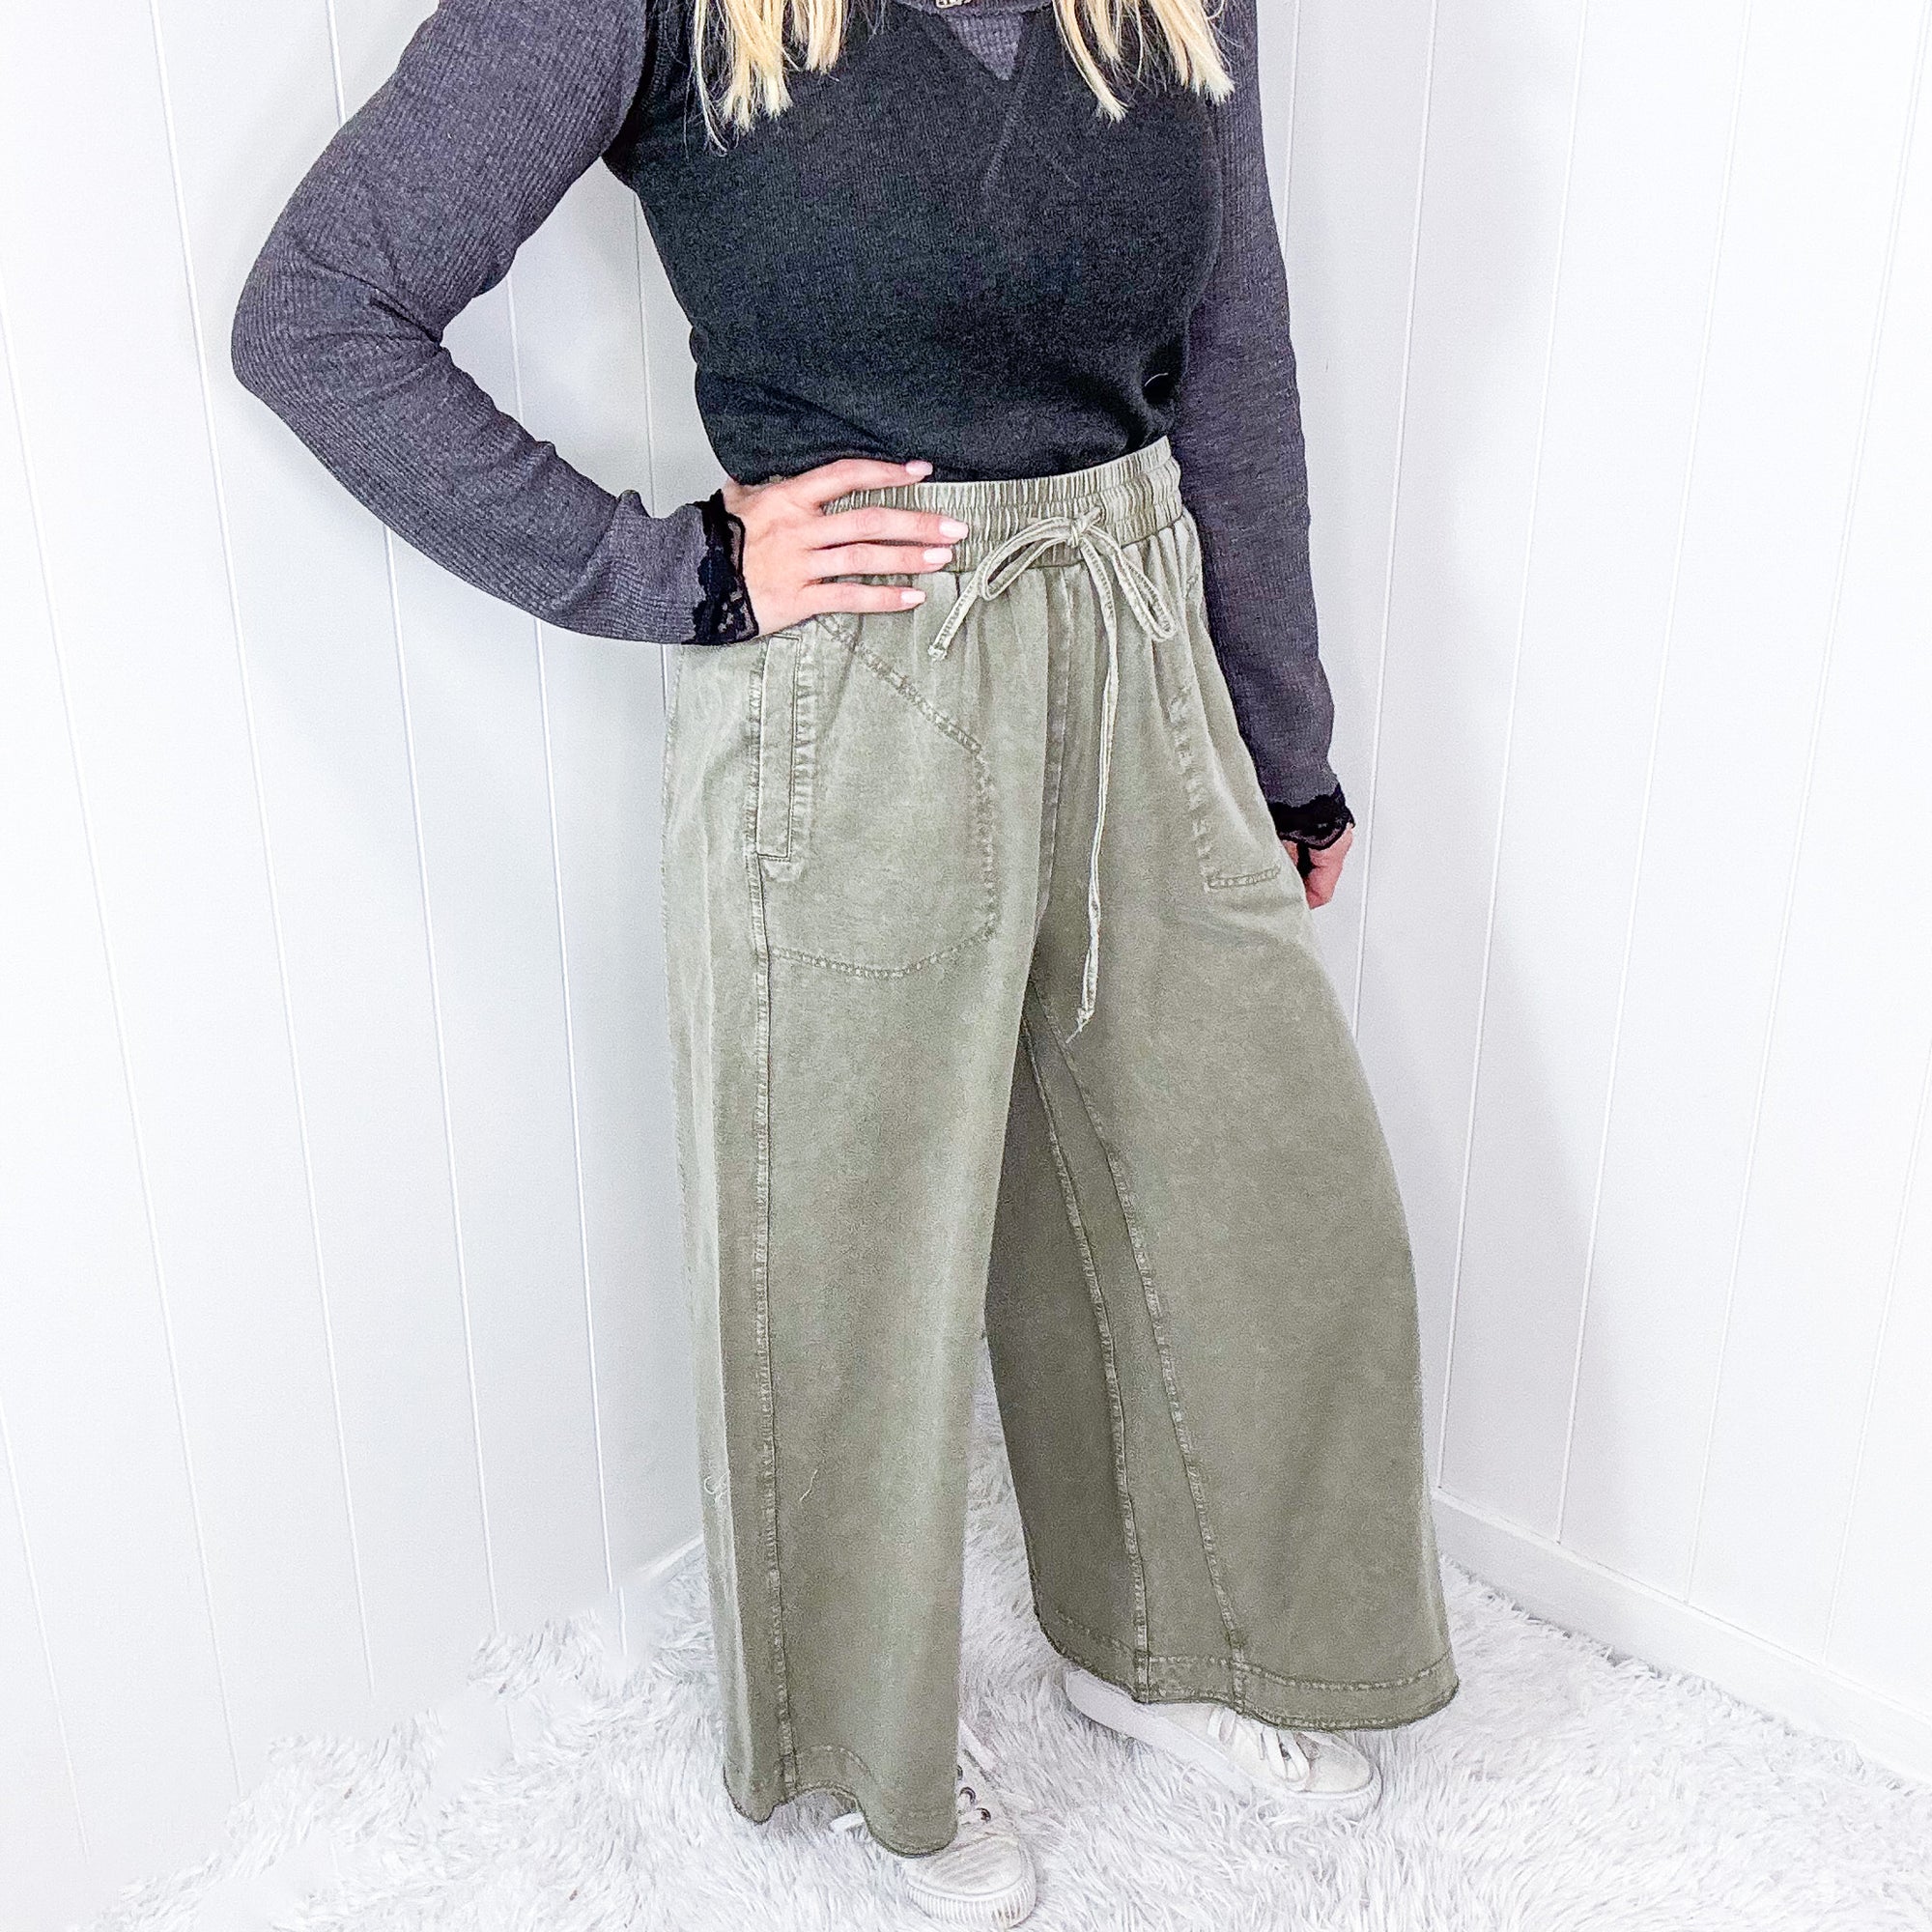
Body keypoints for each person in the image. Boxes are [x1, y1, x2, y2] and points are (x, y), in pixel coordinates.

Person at [232, 0, 1457, 1920]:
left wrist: (1283, 741)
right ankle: (866, 1753)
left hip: (1137, 629)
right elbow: (315, 314)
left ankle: (1171, 1639)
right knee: (845, 1252)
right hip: (861, 671)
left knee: (1246, 1188)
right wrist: (679, 572)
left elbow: (1235, 353)